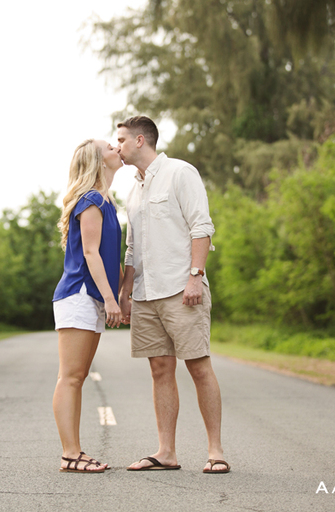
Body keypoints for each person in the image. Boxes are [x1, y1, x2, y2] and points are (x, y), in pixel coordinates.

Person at [116, 116, 230, 474]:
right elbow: (132, 247)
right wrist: (126, 292)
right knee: (160, 369)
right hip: (145, 293)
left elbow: (202, 226)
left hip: (182, 290)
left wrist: (195, 276)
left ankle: (215, 451)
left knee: (198, 366)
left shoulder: (180, 173)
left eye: (120, 140)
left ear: (139, 140)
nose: (116, 147)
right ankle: (166, 452)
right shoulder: (133, 191)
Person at [51, 139, 123, 473]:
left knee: (77, 377)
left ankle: (74, 452)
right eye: (110, 146)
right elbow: (91, 254)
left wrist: (120, 296)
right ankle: (70, 454)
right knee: (71, 377)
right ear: (98, 160)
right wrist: (110, 299)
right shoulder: (91, 200)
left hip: (92, 297)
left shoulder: (107, 202)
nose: (116, 148)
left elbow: (111, 257)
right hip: (79, 294)